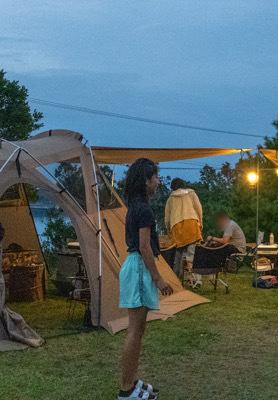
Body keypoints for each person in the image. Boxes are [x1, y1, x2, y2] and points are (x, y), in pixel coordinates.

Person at [118, 158, 173, 400]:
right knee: (135, 330)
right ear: (146, 180)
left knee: (138, 330)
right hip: (139, 268)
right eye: (156, 178)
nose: (159, 182)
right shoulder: (143, 209)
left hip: (135, 267)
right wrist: (159, 279)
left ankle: (132, 381)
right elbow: (144, 247)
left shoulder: (137, 205)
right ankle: (126, 390)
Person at [164, 178, 203, 288]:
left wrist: (169, 230)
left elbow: (167, 218)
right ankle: (196, 281)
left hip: (177, 227)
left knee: (178, 255)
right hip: (191, 224)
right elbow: (198, 208)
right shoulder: (191, 193)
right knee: (193, 254)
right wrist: (200, 221)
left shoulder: (170, 199)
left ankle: (176, 279)